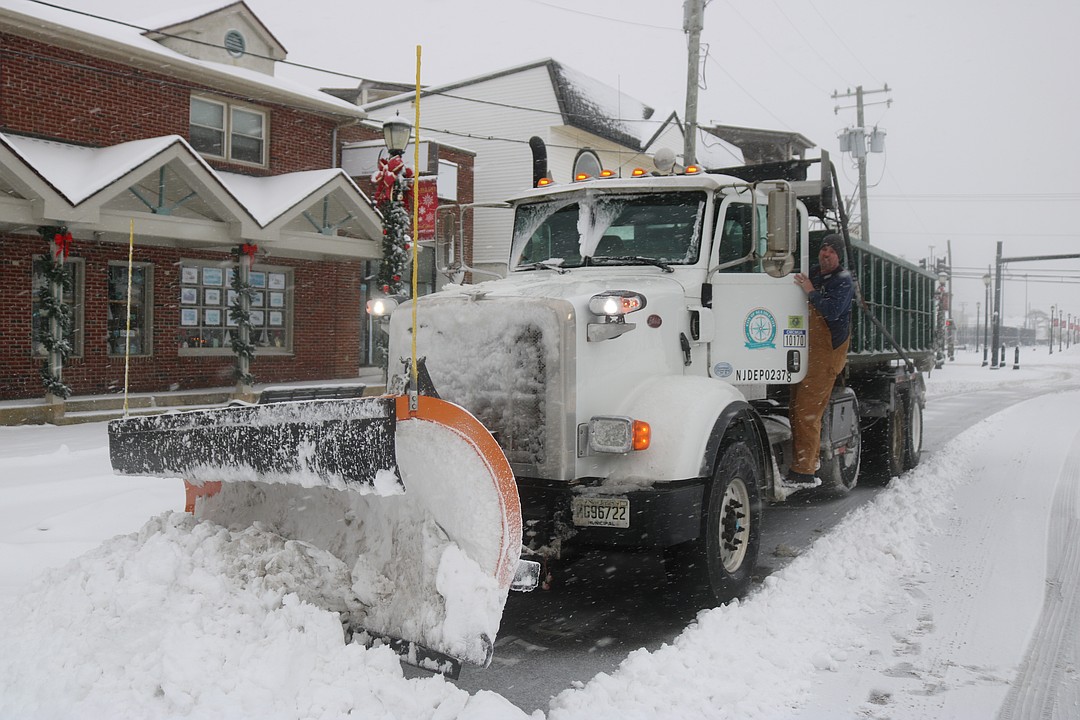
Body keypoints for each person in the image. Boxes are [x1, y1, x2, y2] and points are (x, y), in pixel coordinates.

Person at [787, 233, 855, 485]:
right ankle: (804, 463)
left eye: (832, 251)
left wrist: (811, 291)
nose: (826, 253)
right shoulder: (814, 273)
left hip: (826, 354)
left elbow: (832, 311)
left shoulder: (843, 281)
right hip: (808, 351)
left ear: (839, 256)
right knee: (796, 408)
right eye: (823, 249)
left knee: (808, 412)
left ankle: (804, 471)